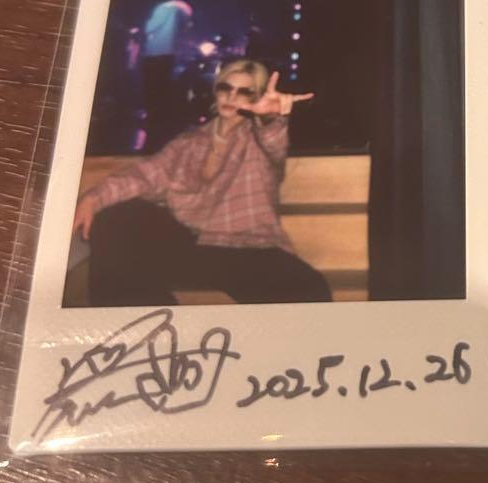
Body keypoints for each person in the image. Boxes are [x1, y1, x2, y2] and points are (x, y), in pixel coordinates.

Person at [73, 60, 332, 306]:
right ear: (216, 91)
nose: (231, 97)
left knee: (308, 289)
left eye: (245, 92)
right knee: (116, 217)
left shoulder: (257, 139)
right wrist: (93, 198)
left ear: (257, 99)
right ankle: (151, 325)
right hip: (192, 247)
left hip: (247, 247)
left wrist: (270, 119)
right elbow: (145, 175)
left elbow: (274, 143)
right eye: (225, 88)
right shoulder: (189, 143)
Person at [141, 0, 195, 152]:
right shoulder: (181, 11)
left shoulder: (162, 8)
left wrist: (144, 26)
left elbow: (149, 28)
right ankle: (162, 126)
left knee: (152, 91)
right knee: (164, 89)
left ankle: (152, 128)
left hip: (155, 53)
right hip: (170, 54)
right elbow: (187, 26)